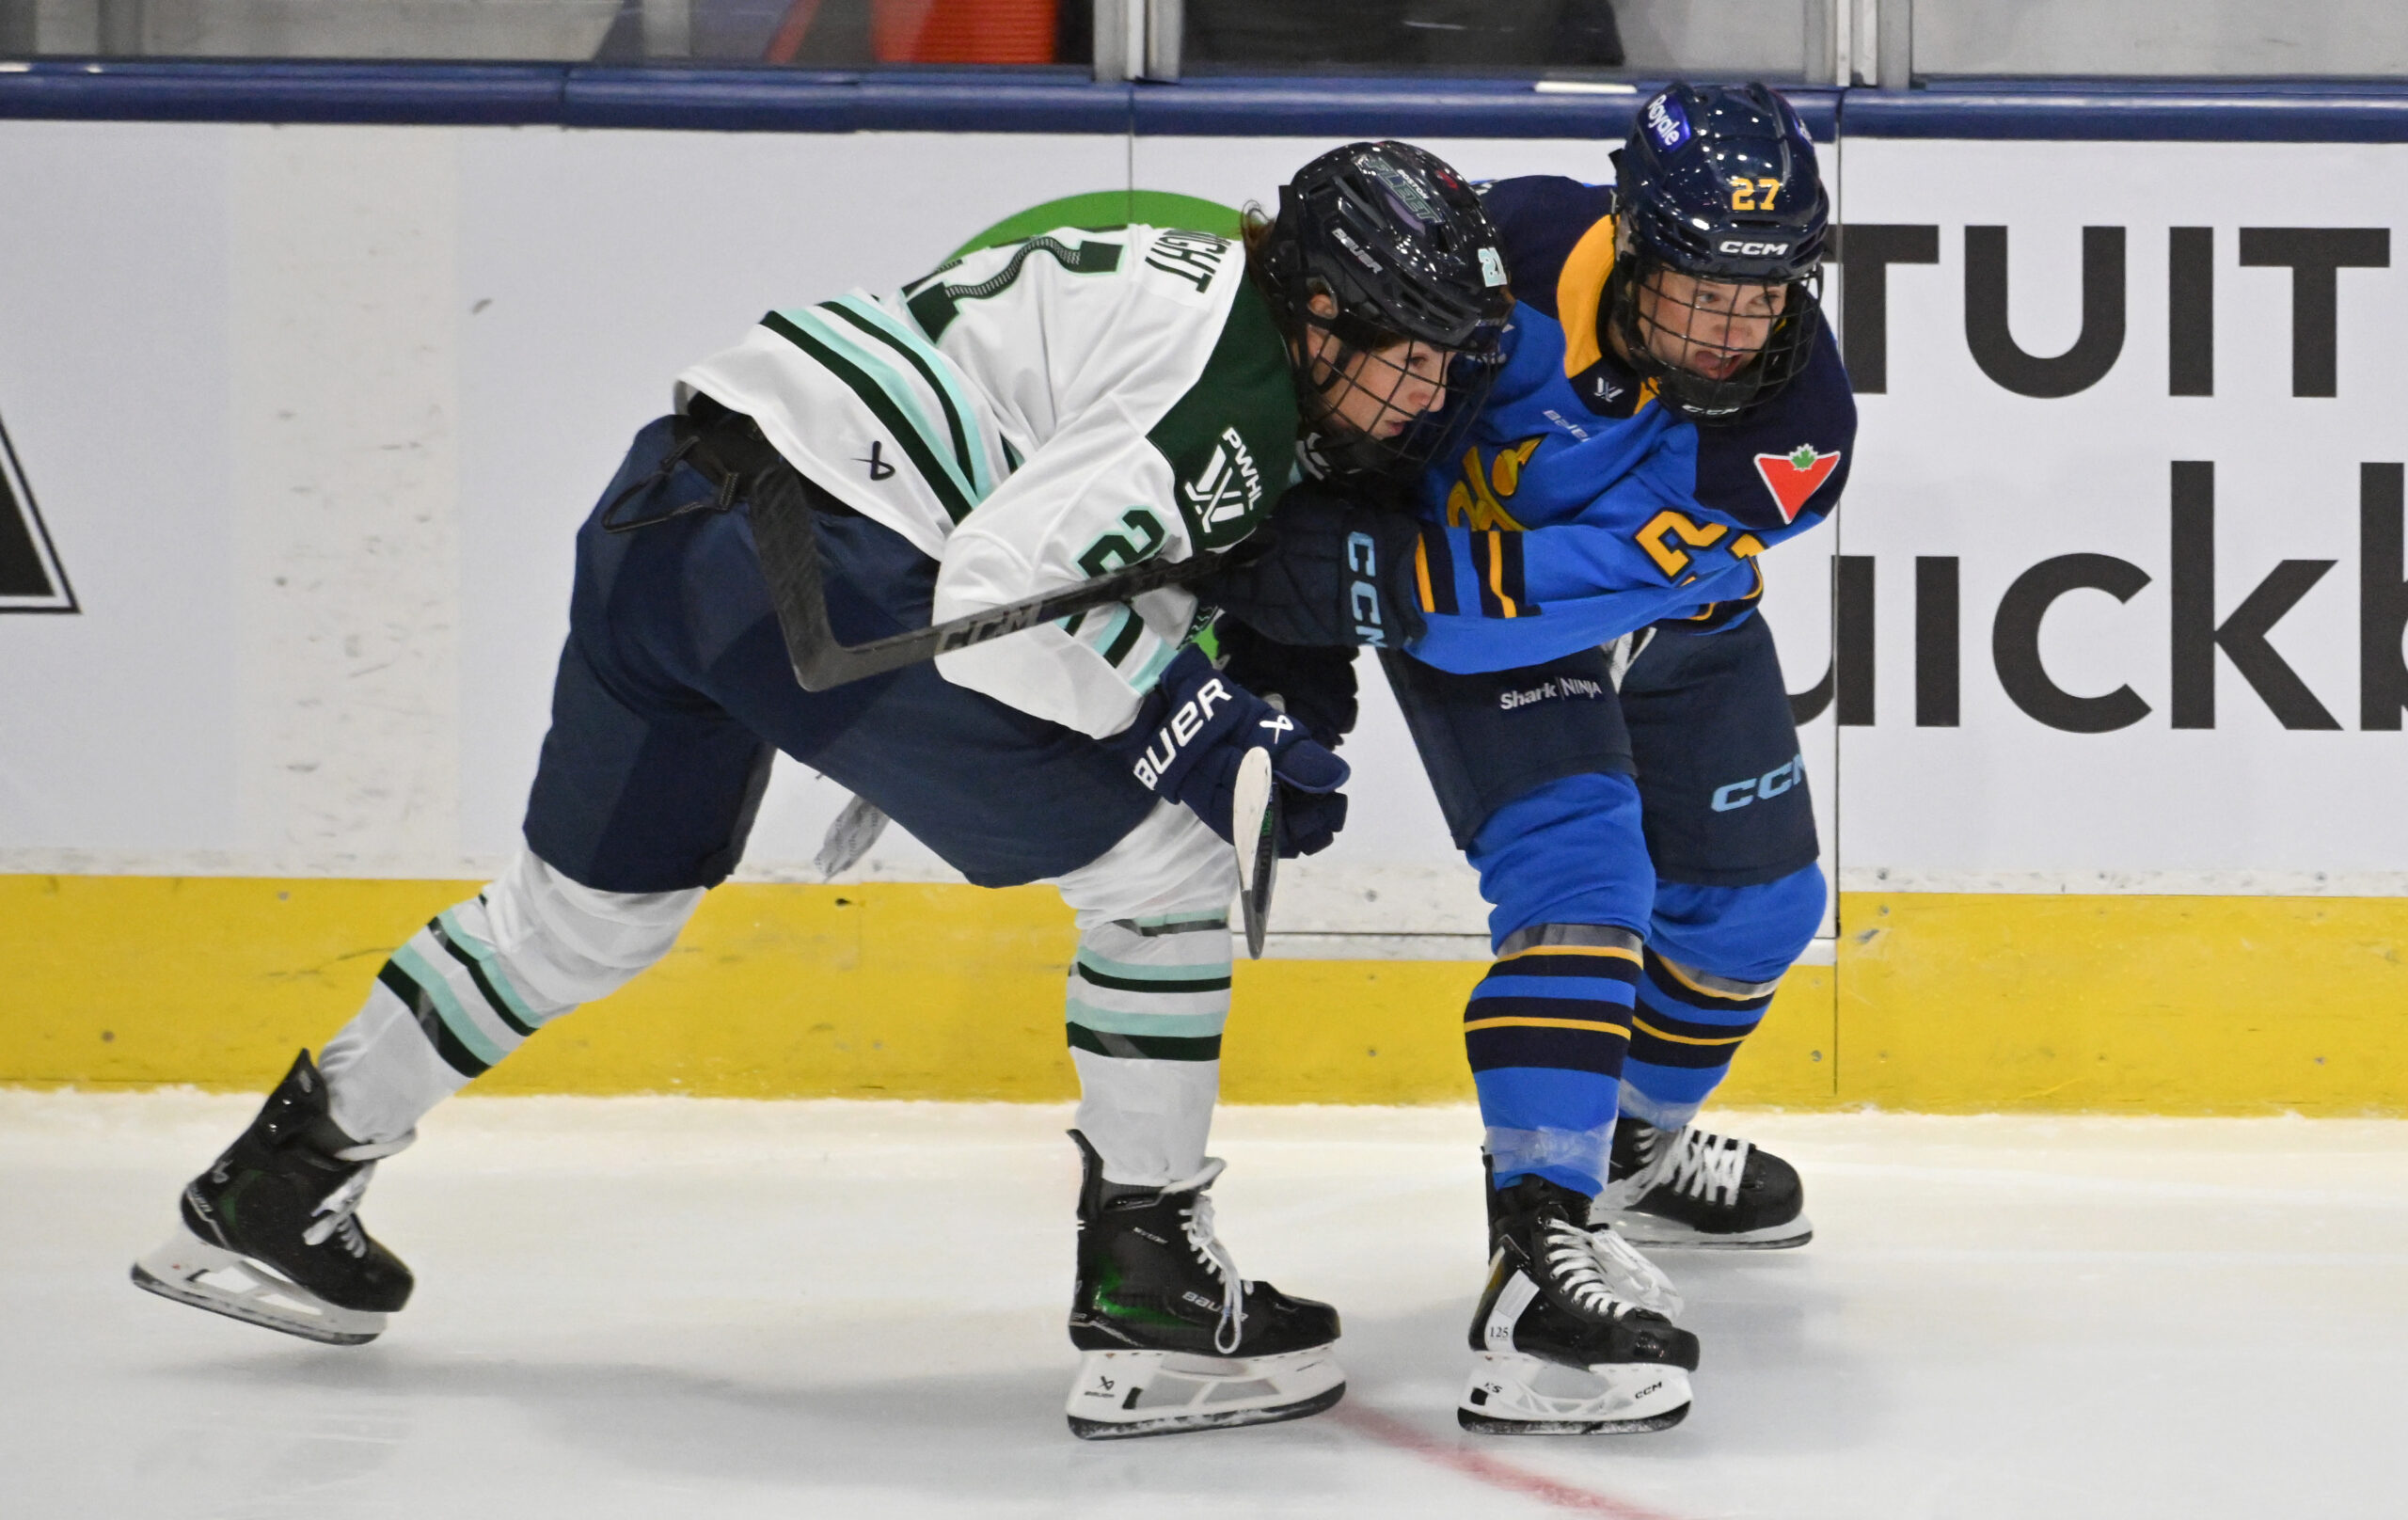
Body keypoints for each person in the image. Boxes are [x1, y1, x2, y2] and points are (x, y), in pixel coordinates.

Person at [130, 141, 1513, 1441]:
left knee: (582, 921)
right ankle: (1150, 1294)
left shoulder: (1189, 249)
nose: (1433, 392)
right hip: (831, 583)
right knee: (1167, 879)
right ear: (1322, 313)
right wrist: (1198, 724)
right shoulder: (1238, 392)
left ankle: (273, 1185)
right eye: (1414, 353)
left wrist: (1203, 661)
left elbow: (1030, 475)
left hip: (669, 511)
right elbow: (1002, 597)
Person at [1203, 82, 1853, 1434]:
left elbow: (1590, 583)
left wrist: (1387, 582)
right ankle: (1538, 1255)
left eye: (1766, 296)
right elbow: (1340, 424)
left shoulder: (1802, 421)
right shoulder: (1497, 264)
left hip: (1623, 615)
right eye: (1703, 295)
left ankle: (1624, 1149)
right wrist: (1297, 606)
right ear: (1633, 238)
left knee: (1762, 910)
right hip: (1506, 641)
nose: (1736, 335)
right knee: (1586, 890)